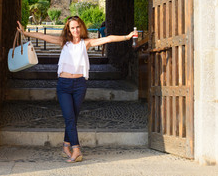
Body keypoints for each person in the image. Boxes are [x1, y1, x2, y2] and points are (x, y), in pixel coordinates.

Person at [16, 16, 136, 163]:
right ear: (68, 29)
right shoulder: (63, 42)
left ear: (82, 27)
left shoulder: (87, 43)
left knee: (72, 118)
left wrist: (127, 36)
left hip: (79, 85)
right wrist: (25, 33)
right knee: (70, 118)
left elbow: (109, 39)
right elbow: (43, 36)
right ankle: (77, 150)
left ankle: (66, 146)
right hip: (64, 85)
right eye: (72, 28)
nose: (76, 30)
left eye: (78, 27)